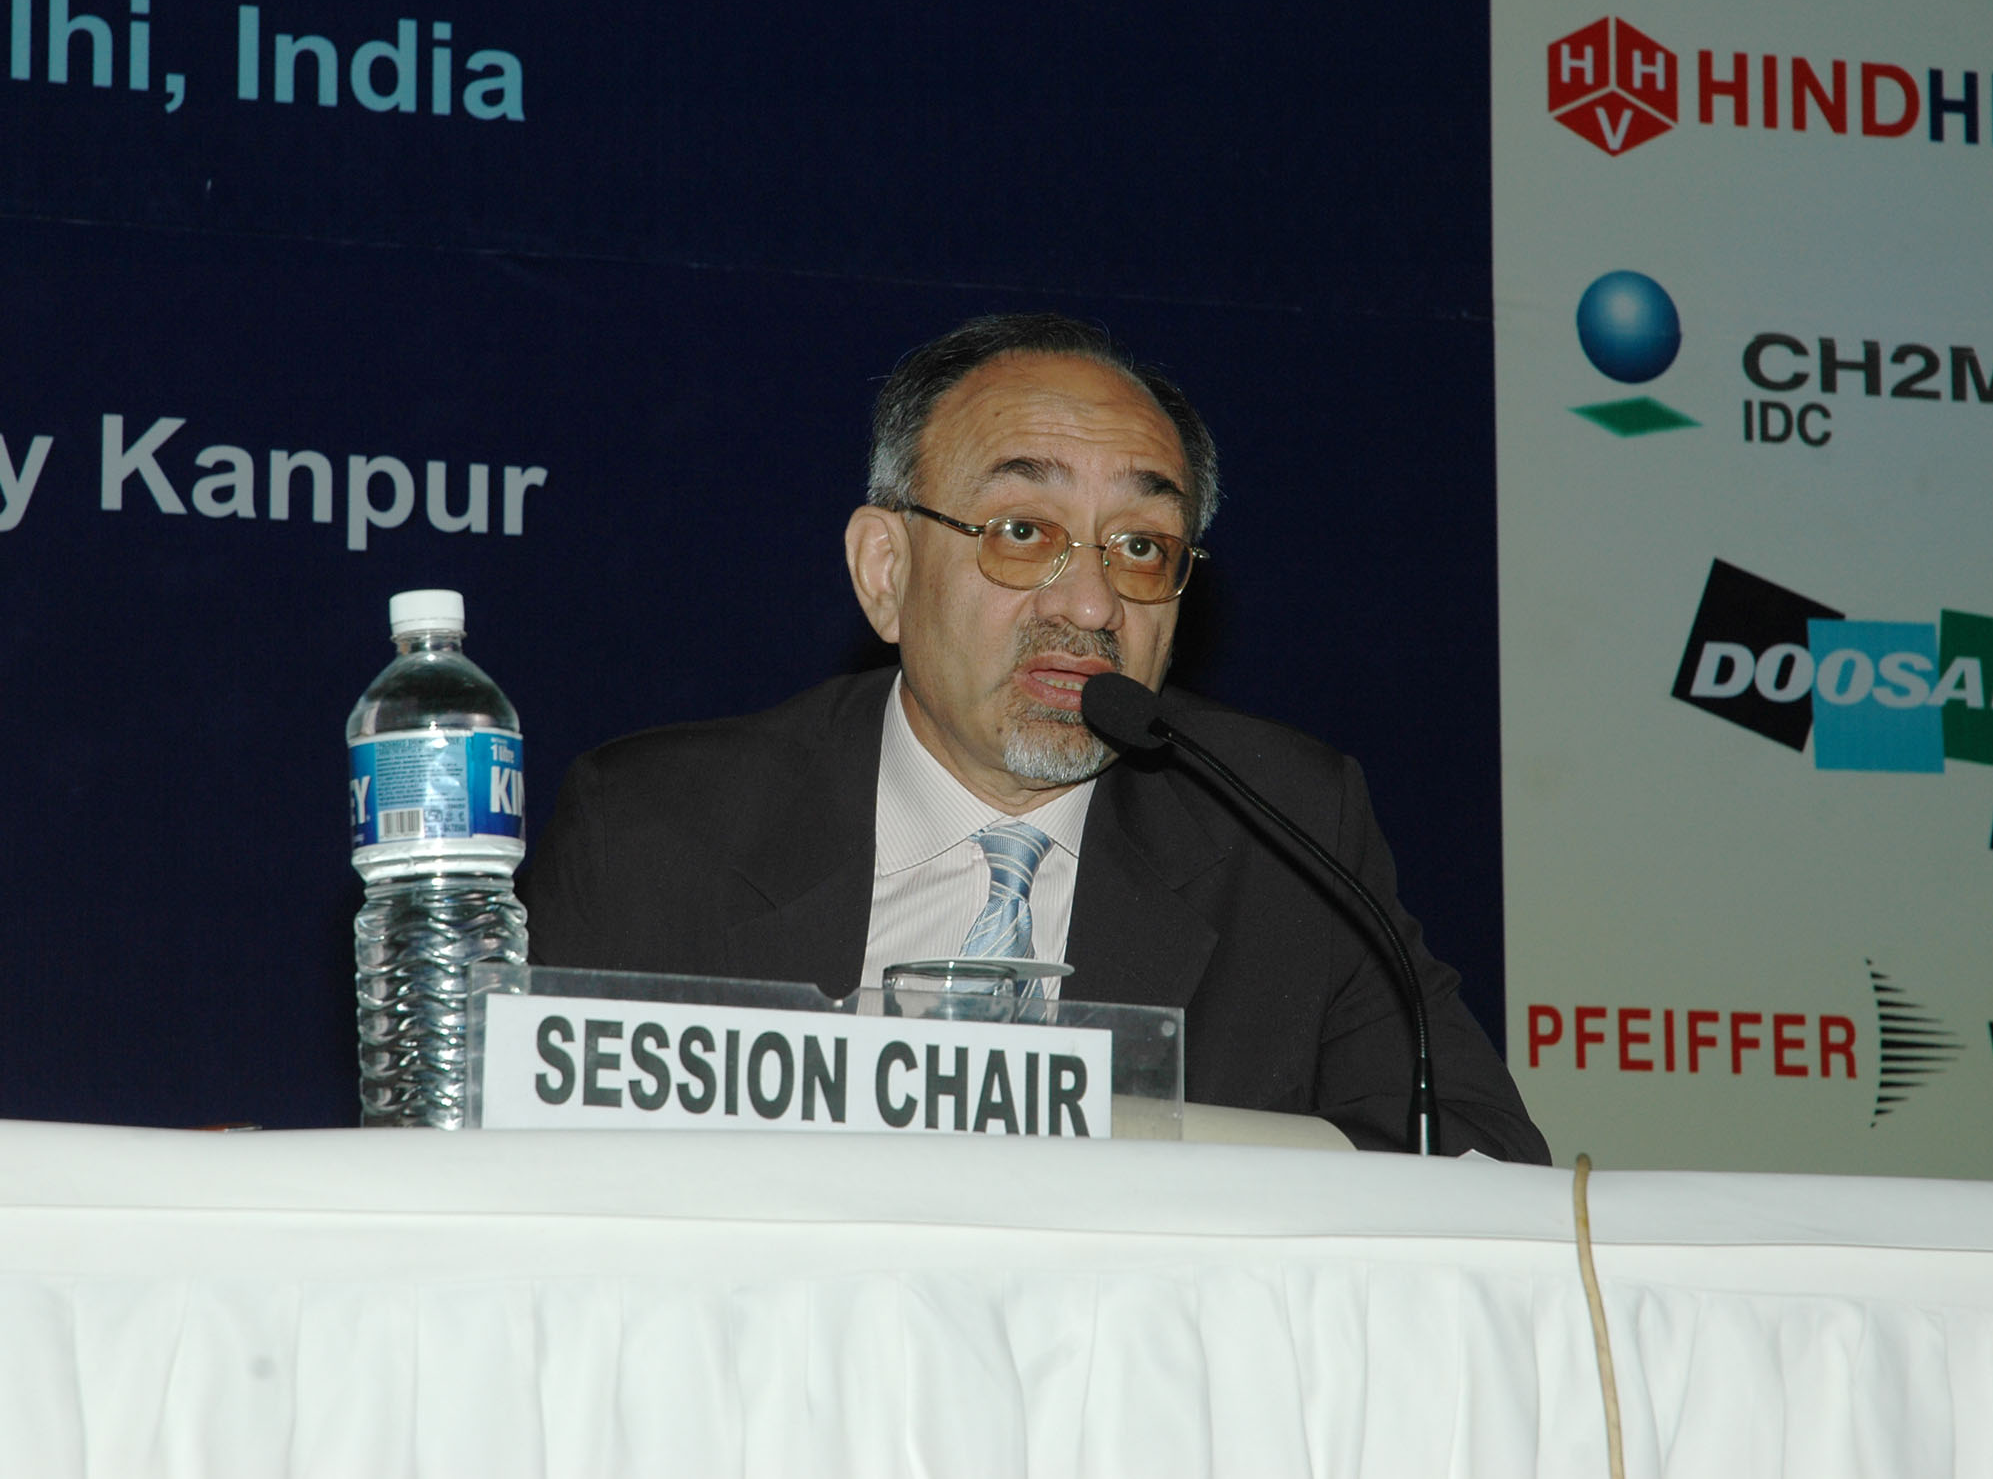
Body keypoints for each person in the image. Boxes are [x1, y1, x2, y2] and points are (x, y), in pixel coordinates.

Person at [519, 313, 1549, 1160]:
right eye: (1023, 533)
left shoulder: (1284, 830)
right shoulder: (658, 831)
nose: (1092, 605)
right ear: (886, 572)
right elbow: (513, 1170)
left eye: (1141, 547)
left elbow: (1478, 1159)